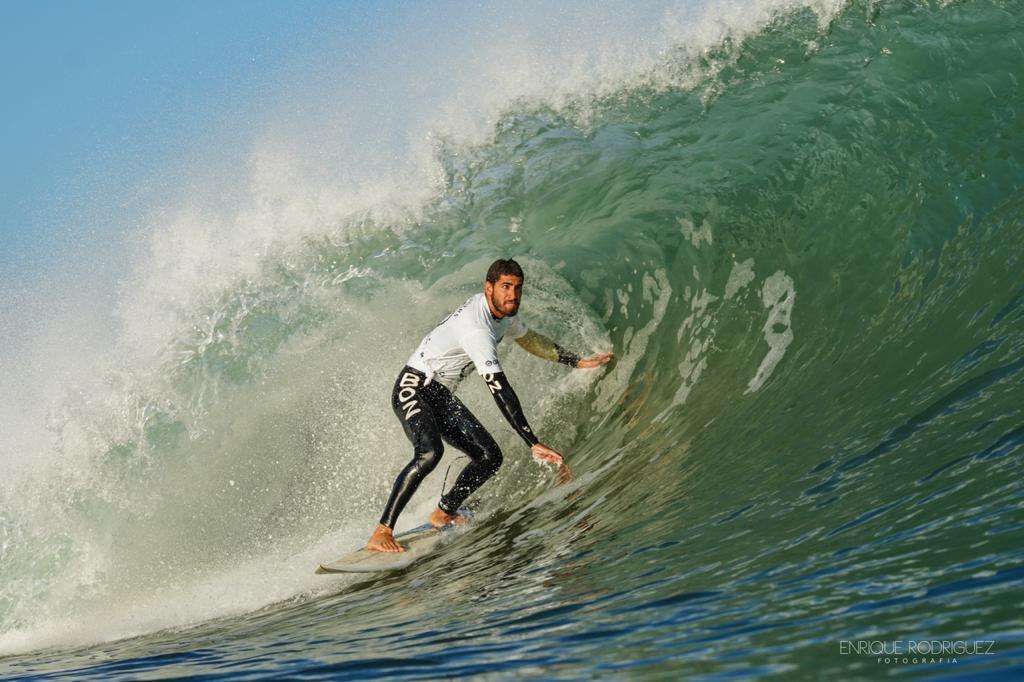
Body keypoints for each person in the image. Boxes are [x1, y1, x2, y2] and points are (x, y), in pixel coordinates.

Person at [367, 258, 614, 552]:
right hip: (414, 386)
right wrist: (532, 442)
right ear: (489, 288)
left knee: (488, 456)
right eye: (506, 287)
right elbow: (500, 389)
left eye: (517, 288)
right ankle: (382, 531)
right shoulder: (478, 329)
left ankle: (443, 512)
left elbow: (530, 340)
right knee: (430, 452)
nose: (513, 295)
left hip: (439, 393)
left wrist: (576, 361)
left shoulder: (502, 315)